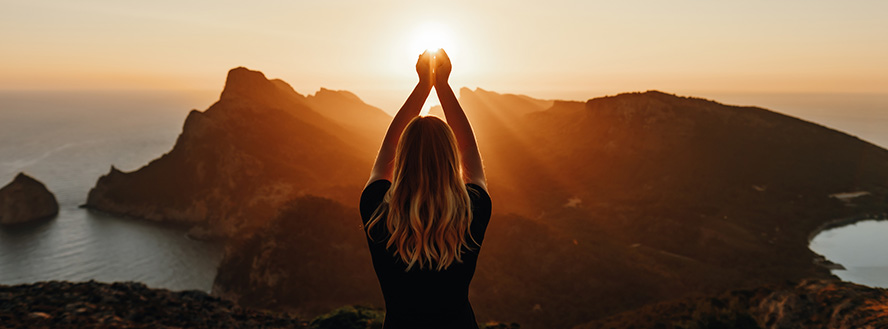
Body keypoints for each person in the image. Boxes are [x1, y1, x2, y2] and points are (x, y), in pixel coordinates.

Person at [359, 49, 492, 329]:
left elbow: (386, 153)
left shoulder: (377, 211)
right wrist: (442, 86)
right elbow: (469, 150)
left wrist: (422, 85)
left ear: (402, 158)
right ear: (450, 158)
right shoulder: (471, 211)